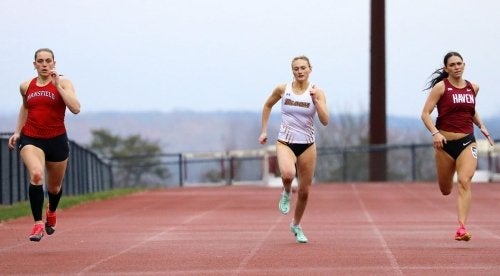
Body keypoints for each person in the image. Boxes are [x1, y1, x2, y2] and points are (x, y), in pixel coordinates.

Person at [8, 48, 81, 242]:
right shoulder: (26, 86)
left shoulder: (64, 82)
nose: (44, 64)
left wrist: (58, 86)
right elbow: (25, 106)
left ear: (54, 63)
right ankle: (38, 223)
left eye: (48, 61)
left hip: (56, 140)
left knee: (55, 188)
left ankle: (52, 210)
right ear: (34, 64)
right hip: (31, 138)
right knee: (36, 174)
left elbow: (75, 108)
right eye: (40, 61)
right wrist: (17, 132)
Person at [421, 51, 494, 241]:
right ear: (446, 68)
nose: (456, 67)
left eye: (459, 63)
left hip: (467, 142)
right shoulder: (441, 88)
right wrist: (435, 133)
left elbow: (470, 110)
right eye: (452, 65)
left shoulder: (473, 87)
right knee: (446, 189)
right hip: (444, 143)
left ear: (464, 65)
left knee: (464, 181)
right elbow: (425, 114)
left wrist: (482, 126)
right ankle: (448, 180)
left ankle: (461, 227)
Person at [258, 55, 329, 243]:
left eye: (303, 68)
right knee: (288, 174)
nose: (300, 71)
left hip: (307, 145)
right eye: (296, 68)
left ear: (310, 69)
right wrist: (264, 131)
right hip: (285, 142)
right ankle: (287, 191)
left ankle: (296, 225)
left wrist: (316, 101)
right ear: (292, 71)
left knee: (305, 191)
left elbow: (325, 120)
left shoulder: (317, 91)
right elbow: (267, 105)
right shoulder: (283, 89)